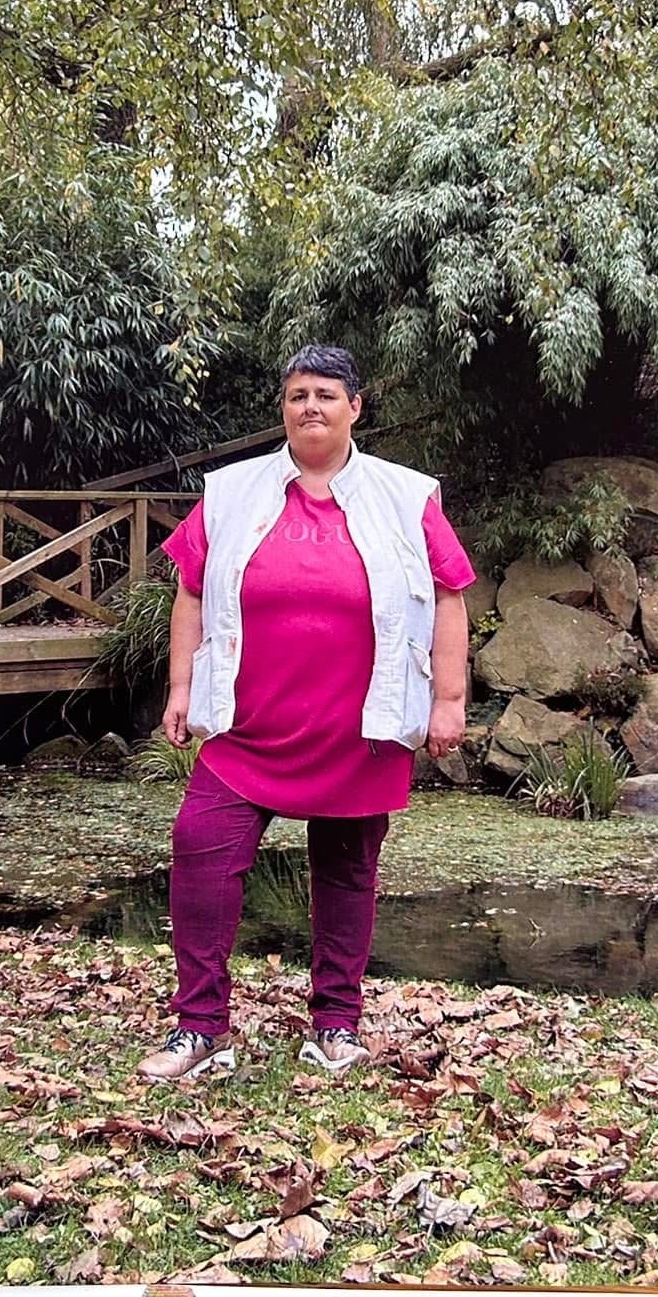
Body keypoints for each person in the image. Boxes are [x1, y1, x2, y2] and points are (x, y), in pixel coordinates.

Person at [138, 345, 475, 1081]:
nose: (311, 406)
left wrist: (449, 700)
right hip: (248, 726)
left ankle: (336, 1026)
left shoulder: (406, 494)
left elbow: (451, 593)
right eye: (297, 395)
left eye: (325, 394)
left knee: (346, 875)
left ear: (355, 407)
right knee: (201, 849)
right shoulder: (231, 491)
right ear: (284, 409)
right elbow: (191, 589)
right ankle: (200, 1028)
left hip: (361, 732)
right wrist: (180, 689)